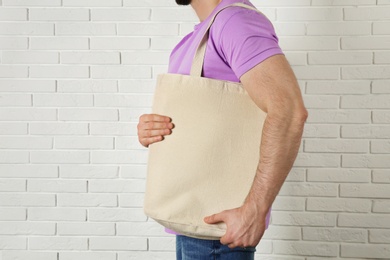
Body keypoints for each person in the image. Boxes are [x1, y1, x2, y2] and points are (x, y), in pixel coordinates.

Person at [137, 0, 308, 259]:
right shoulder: (199, 36)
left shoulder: (235, 22)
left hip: (218, 232)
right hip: (189, 221)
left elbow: (289, 111)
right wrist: (153, 130)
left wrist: (255, 209)